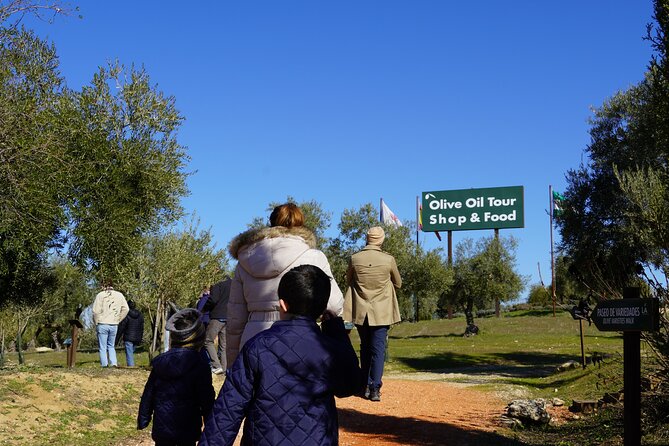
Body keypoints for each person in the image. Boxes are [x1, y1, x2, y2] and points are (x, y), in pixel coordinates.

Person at [200, 265, 362, 446]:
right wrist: (336, 330)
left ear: (282, 305)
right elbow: (351, 385)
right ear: (323, 307)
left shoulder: (257, 347)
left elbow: (229, 409)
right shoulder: (329, 348)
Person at [226, 202, 344, 365]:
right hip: (299, 339)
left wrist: (233, 364)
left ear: (272, 223)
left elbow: (235, 319)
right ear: (301, 224)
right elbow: (334, 305)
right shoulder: (314, 257)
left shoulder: (244, 261)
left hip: (252, 340)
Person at [138, 308, 215, 446]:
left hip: (163, 427)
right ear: (199, 338)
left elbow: (148, 394)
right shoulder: (200, 365)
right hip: (188, 427)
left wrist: (143, 418)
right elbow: (206, 398)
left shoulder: (160, 363)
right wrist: (211, 422)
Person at [344, 226, 402, 402]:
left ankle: (363, 384)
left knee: (365, 347)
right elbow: (398, 283)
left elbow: (348, 279)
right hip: (381, 311)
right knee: (378, 350)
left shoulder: (355, 258)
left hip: (361, 311)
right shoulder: (388, 260)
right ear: (381, 240)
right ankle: (375, 387)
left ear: (367, 239)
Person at [92, 283, 129, 368]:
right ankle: (113, 363)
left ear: (104, 286)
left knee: (102, 347)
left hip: (102, 323)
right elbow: (126, 309)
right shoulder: (120, 295)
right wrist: (119, 319)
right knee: (111, 346)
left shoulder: (100, 295)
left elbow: (95, 311)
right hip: (114, 324)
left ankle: (104, 365)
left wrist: (96, 322)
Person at [202, 278, 231, 375]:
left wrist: (204, 309)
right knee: (224, 345)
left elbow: (213, 300)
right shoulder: (233, 283)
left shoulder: (217, 284)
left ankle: (216, 365)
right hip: (229, 316)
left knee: (207, 341)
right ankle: (224, 368)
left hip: (217, 316)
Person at [117, 300, 144, 367]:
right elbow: (142, 327)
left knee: (129, 353)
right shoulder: (140, 315)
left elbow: (122, 327)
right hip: (137, 337)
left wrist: (117, 338)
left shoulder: (126, 315)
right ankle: (131, 365)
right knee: (131, 352)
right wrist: (140, 338)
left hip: (128, 337)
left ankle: (131, 367)